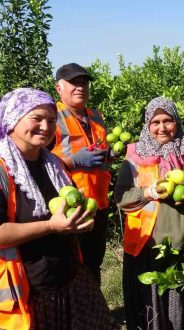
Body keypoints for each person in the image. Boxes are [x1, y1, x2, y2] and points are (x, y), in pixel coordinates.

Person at [0, 88, 110, 329]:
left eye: (51, 120)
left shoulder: (54, 164)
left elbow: (68, 211)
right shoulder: (3, 170)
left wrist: (81, 219)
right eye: (36, 118)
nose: (46, 126)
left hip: (70, 276)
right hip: (29, 289)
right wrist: (51, 226)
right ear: (12, 119)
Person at [114, 97, 184, 330]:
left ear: (177, 121)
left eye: (168, 120)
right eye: (155, 122)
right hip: (147, 246)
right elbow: (121, 197)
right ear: (147, 125)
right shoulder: (134, 154)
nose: (162, 128)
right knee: (151, 310)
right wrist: (149, 192)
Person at [51, 63, 111, 282]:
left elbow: (97, 147)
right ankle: (79, 314)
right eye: (74, 83)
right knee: (74, 264)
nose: (80, 87)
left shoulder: (95, 116)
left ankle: (97, 313)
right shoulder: (51, 118)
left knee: (94, 261)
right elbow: (36, 161)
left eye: (84, 82)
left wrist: (108, 154)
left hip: (98, 203)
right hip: (70, 206)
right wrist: (73, 161)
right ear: (59, 88)